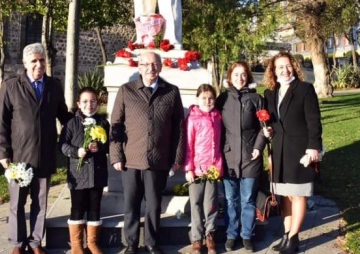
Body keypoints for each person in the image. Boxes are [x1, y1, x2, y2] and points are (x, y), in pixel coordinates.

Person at [0, 43, 72, 254]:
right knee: (17, 203)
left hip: (45, 155)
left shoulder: (54, 86)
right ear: (25, 63)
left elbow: (64, 116)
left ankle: (36, 242)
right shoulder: (11, 86)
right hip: (19, 157)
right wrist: (3, 153)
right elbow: (0, 122)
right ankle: (18, 244)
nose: (39, 65)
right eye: (34, 61)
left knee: (40, 202)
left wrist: (86, 121)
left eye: (42, 60)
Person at [110, 51, 185, 254]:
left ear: (160, 66)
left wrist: (177, 157)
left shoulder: (171, 91)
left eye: (154, 64)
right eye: (145, 64)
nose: (150, 68)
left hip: (157, 159)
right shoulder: (127, 91)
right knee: (131, 204)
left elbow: (179, 126)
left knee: (153, 205)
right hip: (131, 158)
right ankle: (131, 243)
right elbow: (115, 125)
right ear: (139, 67)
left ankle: (152, 242)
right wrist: (116, 155)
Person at [262, 52, 322, 254]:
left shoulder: (305, 89)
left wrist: (314, 147)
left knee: (298, 195)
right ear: (273, 70)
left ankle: (294, 238)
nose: (284, 70)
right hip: (279, 151)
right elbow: (270, 121)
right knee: (285, 197)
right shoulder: (270, 93)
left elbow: (314, 121)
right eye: (279, 67)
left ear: (294, 67)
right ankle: (287, 235)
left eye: (287, 66)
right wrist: (267, 129)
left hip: (300, 150)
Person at [215, 62, 268, 252]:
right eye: (236, 74)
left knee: (248, 199)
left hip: (250, 157)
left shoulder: (256, 99)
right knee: (230, 199)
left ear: (248, 77)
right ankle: (231, 234)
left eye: (243, 74)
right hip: (229, 158)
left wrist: (258, 147)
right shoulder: (222, 99)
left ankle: (247, 235)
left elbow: (265, 128)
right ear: (230, 77)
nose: (240, 78)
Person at [59, 87, 110, 254]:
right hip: (78, 174)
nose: (89, 105)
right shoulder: (71, 123)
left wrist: (100, 147)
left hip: (97, 172)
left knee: (95, 207)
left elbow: (110, 144)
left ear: (98, 103)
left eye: (93, 101)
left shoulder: (103, 123)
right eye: (85, 101)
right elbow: (63, 145)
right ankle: (77, 245)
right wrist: (76, 151)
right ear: (78, 104)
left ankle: (92, 243)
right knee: (78, 207)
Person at [183, 84, 224, 254]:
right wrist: (188, 169)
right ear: (197, 99)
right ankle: (197, 238)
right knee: (196, 204)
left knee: (211, 204)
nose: (207, 101)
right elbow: (188, 145)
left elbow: (220, 143)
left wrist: (218, 167)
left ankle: (210, 235)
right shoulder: (192, 118)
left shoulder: (218, 117)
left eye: (211, 98)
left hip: (213, 169)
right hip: (197, 170)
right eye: (204, 98)